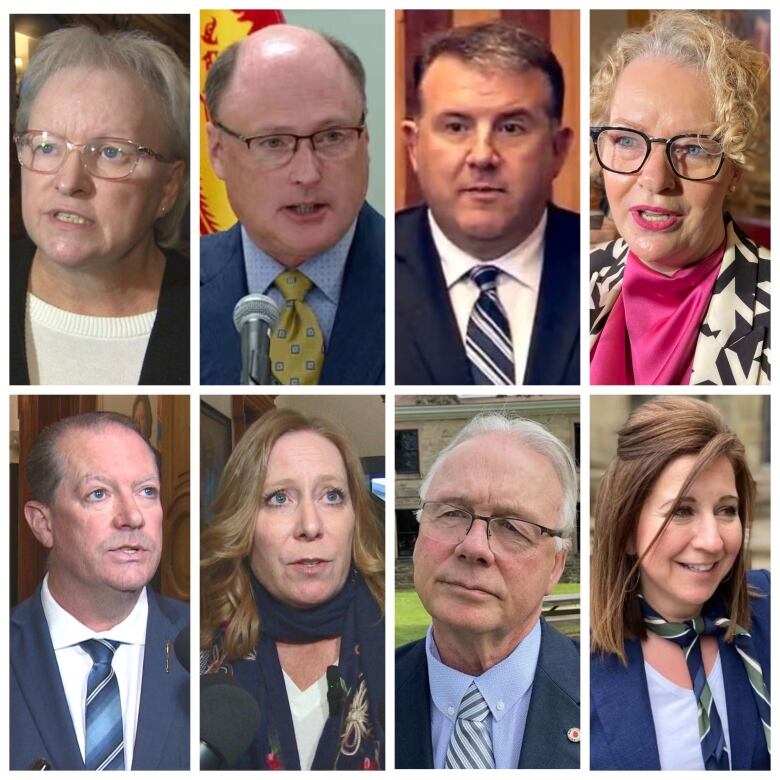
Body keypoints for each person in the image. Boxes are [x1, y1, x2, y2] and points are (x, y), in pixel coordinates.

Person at [589, 11, 770, 385]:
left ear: (733, 169)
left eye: (694, 148)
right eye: (626, 140)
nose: (655, 179)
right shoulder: (572, 277)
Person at [591, 397, 770, 770]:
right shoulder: (580, 665)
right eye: (682, 511)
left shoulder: (769, 609)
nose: (712, 541)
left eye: (726, 510)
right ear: (626, 529)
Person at [396, 22, 579, 386]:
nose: (482, 156)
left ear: (557, 150)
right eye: (456, 127)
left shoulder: (607, 273)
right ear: (414, 147)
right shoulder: (369, 265)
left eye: (511, 128)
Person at [201, 25, 385, 385]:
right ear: (217, 151)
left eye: (332, 137)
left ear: (365, 140)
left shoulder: (421, 280)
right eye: (274, 143)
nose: (307, 174)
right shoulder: (172, 289)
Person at [201, 409, 385, 769]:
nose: (310, 525)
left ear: (355, 520)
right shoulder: (198, 661)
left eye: (331, 496)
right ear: (244, 524)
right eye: (279, 498)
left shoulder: (399, 655)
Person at [396, 414, 580, 768]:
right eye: (451, 513)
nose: (474, 546)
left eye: (512, 526)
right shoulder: (370, 691)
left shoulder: (602, 688)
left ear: (555, 565)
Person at [10, 26, 190, 385]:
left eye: (111, 153)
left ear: (169, 187)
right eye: (47, 146)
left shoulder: (208, 314)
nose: (69, 181)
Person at [10, 413, 189, 770]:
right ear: (43, 524)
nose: (132, 516)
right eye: (98, 494)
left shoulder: (205, 644)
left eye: (147, 491)